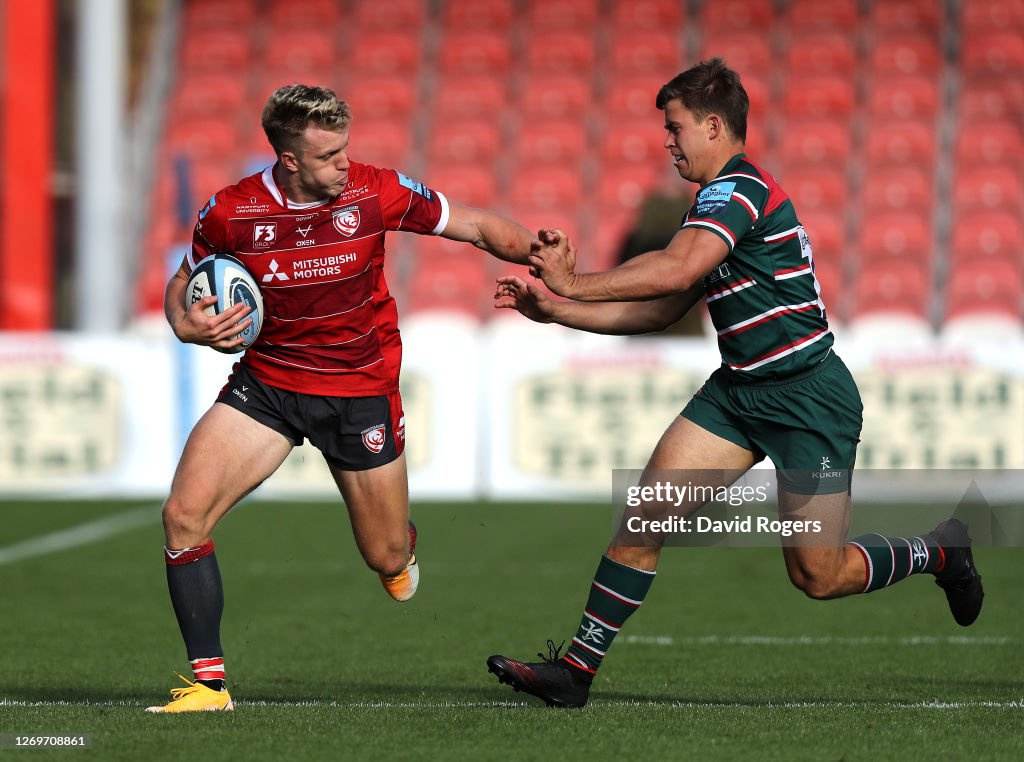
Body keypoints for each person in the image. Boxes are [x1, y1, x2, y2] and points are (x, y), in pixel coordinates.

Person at [486, 58, 984, 709]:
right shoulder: (712, 205)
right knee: (645, 517)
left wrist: (574, 282)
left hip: (810, 398)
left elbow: (675, 269)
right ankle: (575, 671)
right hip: (739, 394)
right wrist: (559, 310)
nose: (668, 141)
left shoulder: (738, 190)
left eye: (676, 127)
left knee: (819, 575)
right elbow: (664, 310)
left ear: (715, 125)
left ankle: (940, 552)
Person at [147, 84, 537, 713]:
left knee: (384, 557)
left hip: (359, 391)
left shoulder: (373, 189)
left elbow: (475, 224)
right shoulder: (230, 212)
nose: (343, 166)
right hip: (268, 385)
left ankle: (399, 547)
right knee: (183, 518)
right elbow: (184, 280)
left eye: (345, 151)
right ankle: (208, 685)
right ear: (289, 161)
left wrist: (541, 255)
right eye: (329, 156)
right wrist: (185, 323)